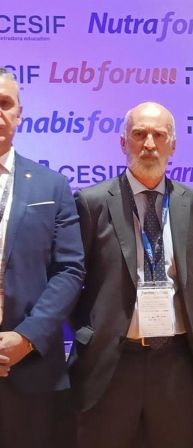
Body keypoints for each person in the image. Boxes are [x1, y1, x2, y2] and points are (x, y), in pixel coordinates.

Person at [69, 101, 193, 447]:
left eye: (159, 135)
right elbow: (71, 279)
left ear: (172, 145)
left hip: (175, 364)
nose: (149, 144)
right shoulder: (92, 202)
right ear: (123, 142)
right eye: (139, 134)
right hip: (112, 363)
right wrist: (90, 332)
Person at [0, 67, 85, 447]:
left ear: (19, 114)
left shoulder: (52, 186)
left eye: (5, 104)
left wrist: (26, 337)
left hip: (30, 368)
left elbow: (69, 270)